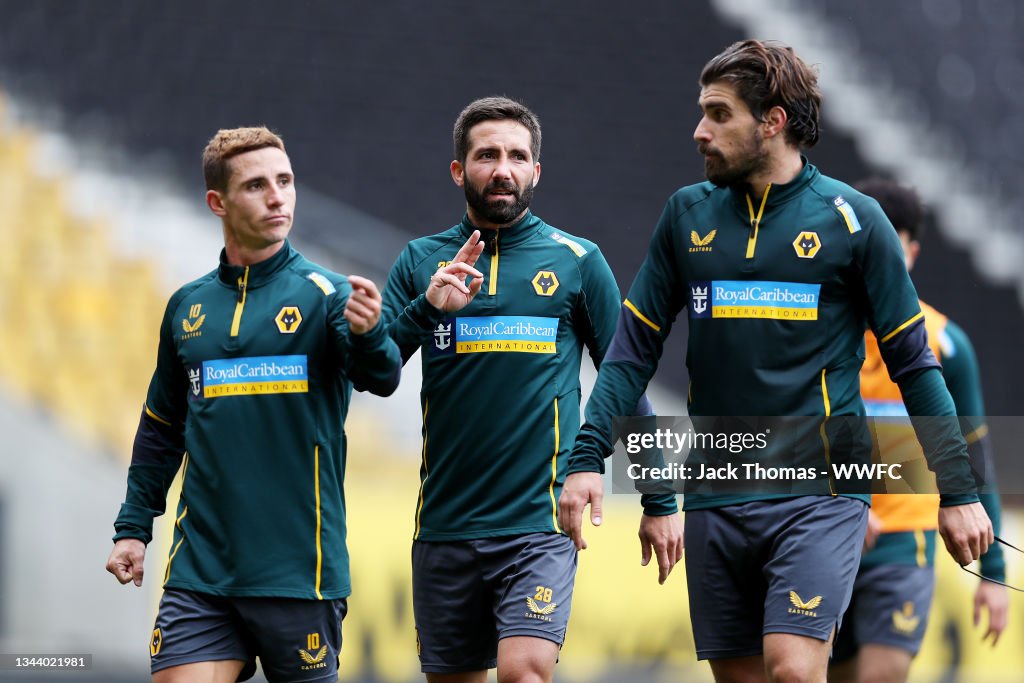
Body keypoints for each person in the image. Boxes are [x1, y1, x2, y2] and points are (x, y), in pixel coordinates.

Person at [558, 40, 993, 683]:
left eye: (718, 113)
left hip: (823, 487)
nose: (699, 130)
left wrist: (956, 491)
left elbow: (914, 365)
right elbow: (629, 353)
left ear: (773, 120)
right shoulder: (685, 215)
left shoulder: (856, 221)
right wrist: (589, 458)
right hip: (718, 482)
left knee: (793, 669)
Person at [381, 96, 682, 683]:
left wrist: (661, 499)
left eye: (517, 156)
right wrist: (427, 307)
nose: (503, 169)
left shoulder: (577, 261)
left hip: (538, 523)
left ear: (535, 172)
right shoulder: (420, 260)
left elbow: (626, 379)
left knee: (526, 671)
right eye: (486, 155)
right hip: (445, 525)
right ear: (457, 170)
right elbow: (377, 369)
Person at [105, 126, 402, 683]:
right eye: (257, 185)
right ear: (218, 202)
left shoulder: (327, 294)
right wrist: (133, 526)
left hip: (299, 574)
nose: (277, 196)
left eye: (285, 181)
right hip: (202, 573)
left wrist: (368, 335)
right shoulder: (186, 307)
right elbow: (161, 427)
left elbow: (381, 377)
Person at [828, 178, 1008, 683]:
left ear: (910, 251)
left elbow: (976, 460)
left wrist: (993, 573)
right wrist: (840, 502)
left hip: (905, 541)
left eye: (893, 242)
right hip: (822, 533)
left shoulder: (946, 344)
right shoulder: (813, 334)